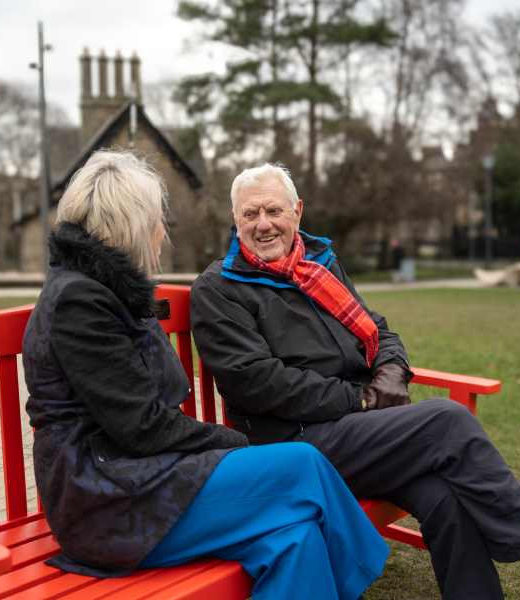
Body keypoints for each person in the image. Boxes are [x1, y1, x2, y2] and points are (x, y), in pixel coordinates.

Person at [189, 162, 520, 600]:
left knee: (445, 495)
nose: (263, 224)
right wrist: (364, 400)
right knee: (447, 419)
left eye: (274, 210)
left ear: (297, 212)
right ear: (236, 220)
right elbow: (257, 383)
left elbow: (378, 329)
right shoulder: (220, 288)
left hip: (352, 431)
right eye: (251, 214)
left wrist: (389, 372)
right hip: (291, 445)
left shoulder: (318, 266)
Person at [20, 150, 389, 600]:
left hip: (143, 475)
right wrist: (240, 444)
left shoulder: (104, 289)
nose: (162, 232)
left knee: (295, 537)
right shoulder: (81, 303)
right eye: (158, 219)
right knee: (302, 463)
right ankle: (362, 570)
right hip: (106, 499)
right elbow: (142, 428)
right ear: (133, 225)